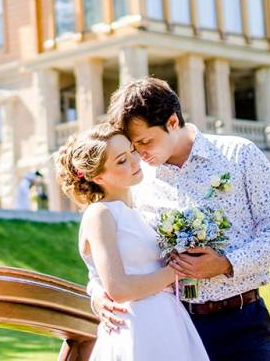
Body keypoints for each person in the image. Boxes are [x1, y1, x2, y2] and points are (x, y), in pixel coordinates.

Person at [93, 77, 270, 361]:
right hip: (172, 328)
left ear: (172, 121)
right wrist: (98, 293)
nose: (140, 154)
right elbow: (119, 248)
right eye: (134, 146)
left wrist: (226, 263)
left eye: (145, 142)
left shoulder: (238, 155)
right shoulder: (138, 181)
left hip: (242, 323)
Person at [55, 123, 208, 361]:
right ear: (98, 176)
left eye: (132, 151)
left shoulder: (142, 210)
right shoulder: (100, 214)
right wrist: (177, 271)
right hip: (136, 328)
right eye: (121, 161)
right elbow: (119, 288)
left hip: (169, 322)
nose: (135, 161)